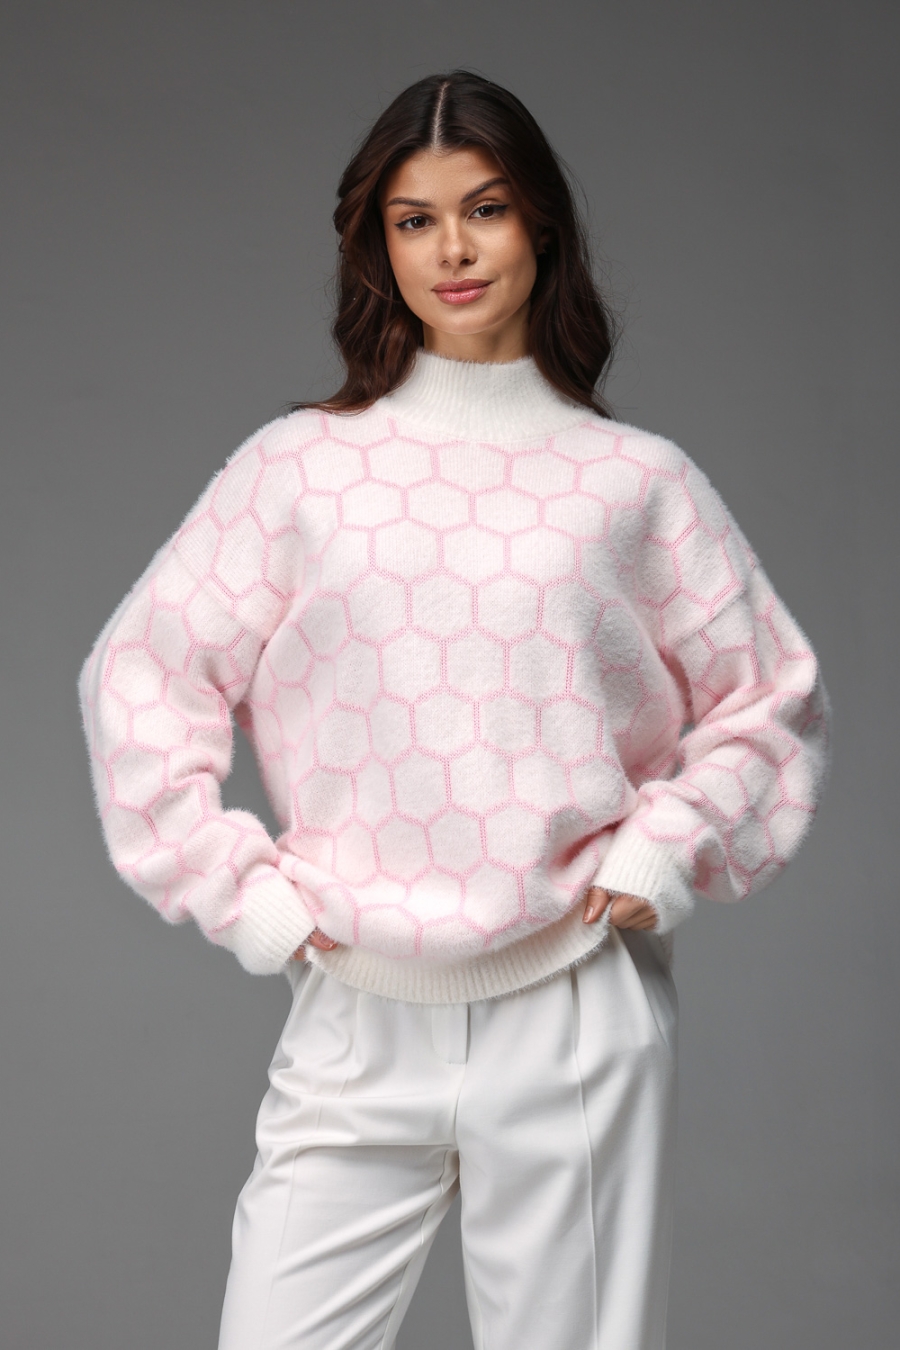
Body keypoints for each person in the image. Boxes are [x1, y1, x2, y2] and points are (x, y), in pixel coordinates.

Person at [79, 70, 830, 1350]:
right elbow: (140, 674)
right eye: (413, 220)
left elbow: (771, 695)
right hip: (356, 1007)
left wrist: (668, 843)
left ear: (540, 222)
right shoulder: (300, 470)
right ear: (377, 244)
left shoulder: (634, 482)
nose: (453, 251)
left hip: (572, 1005)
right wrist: (237, 891)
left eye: (483, 209)